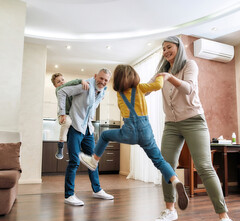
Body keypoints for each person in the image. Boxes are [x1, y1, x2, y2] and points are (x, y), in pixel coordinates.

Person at [149, 36, 238, 221]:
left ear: (178, 47)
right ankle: (170, 210)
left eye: (169, 47)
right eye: (163, 49)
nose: (165, 51)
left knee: (204, 167)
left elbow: (188, 88)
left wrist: (169, 77)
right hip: (171, 124)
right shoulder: (161, 72)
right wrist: (130, 87)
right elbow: (146, 88)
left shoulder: (190, 65)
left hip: (193, 120)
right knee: (166, 165)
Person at [80, 64, 189, 211]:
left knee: (105, 135)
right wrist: (162, 77)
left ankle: (94, 161)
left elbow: (125, 110)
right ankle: (175, 181)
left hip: (129, 132)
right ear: (134, 76)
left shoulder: (119, 95)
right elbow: (157, 86)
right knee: (159, 160)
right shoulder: (140, 88)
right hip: (146, 132)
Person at [57, 68, 114, 206]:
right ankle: (69, 195)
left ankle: (97, 190)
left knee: (93, 161)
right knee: (74, 161)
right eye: (101, 78)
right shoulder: (84, 86)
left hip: (88, 129)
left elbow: (91, 107)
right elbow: (61, 92)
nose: (103, 82)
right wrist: (62, 112)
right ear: (95, 76)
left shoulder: (102, 91)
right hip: (75, 127)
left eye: (106, 80)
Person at [51, 73, 89, 160]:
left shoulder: (70, 90)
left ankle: (81, 145)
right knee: (67, 122)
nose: (61, 82)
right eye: (58, 82)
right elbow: (71, 83)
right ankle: (60, 147)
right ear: (55, 86)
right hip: (63, 114)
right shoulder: (58, 90)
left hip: (72, 114)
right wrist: (80, 80)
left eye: (62, 80)